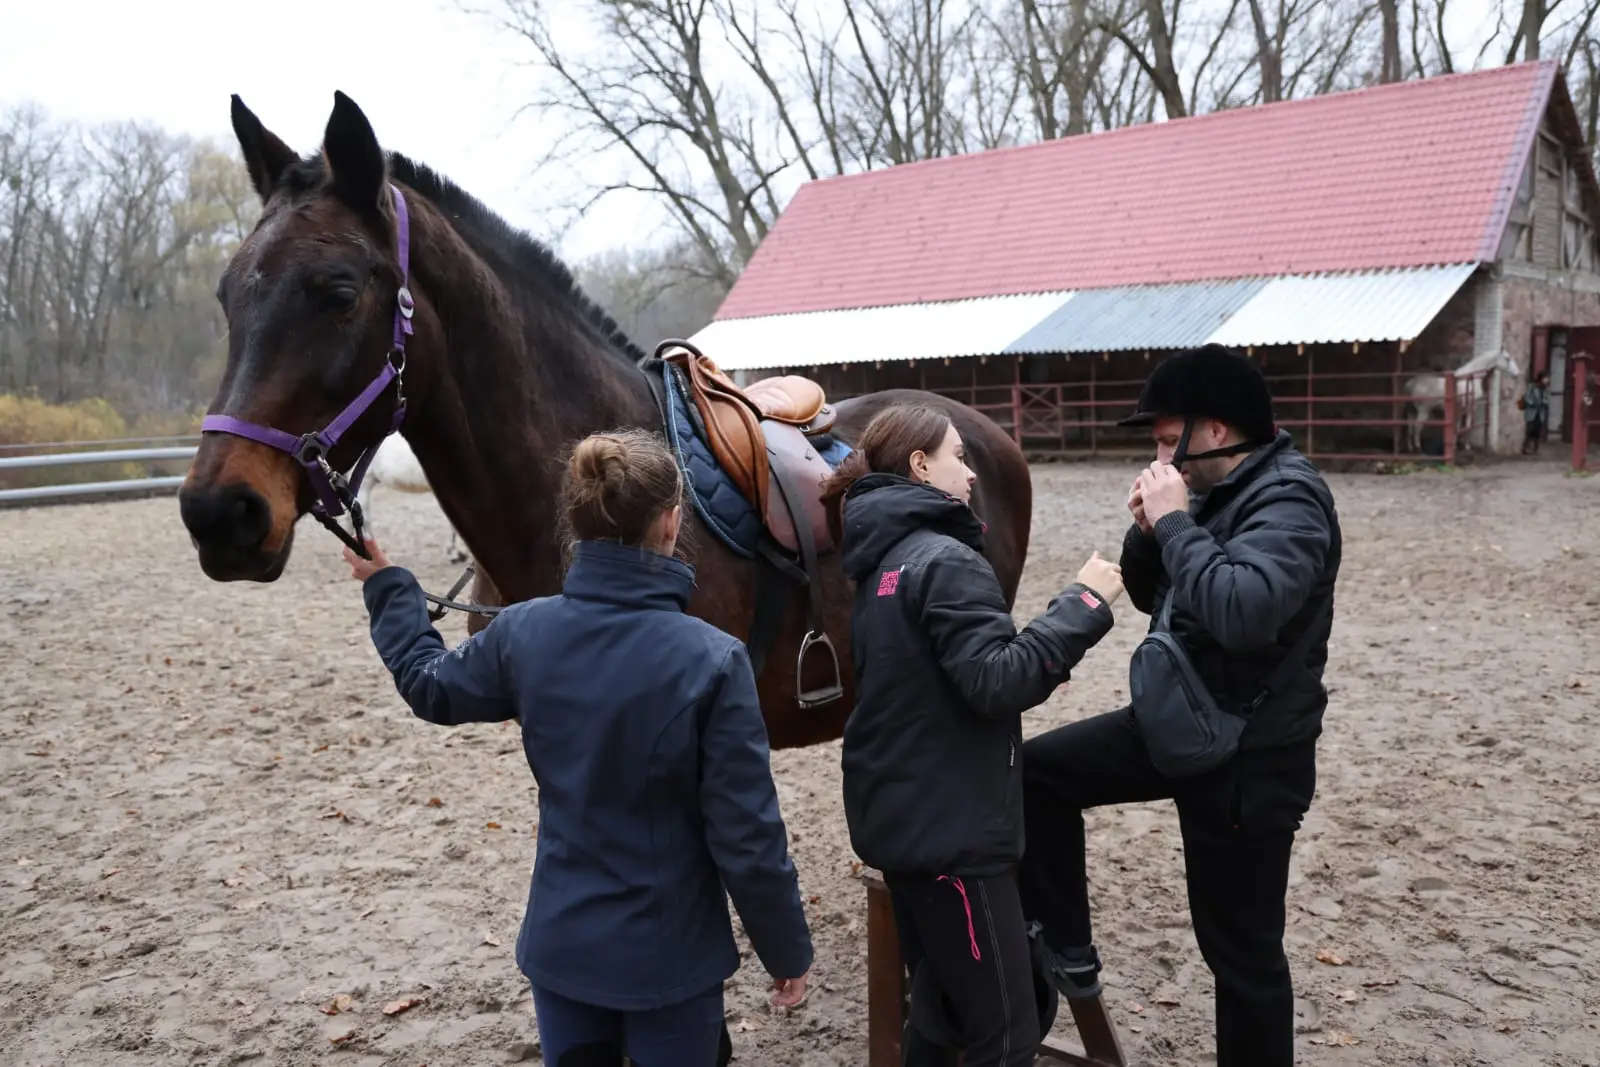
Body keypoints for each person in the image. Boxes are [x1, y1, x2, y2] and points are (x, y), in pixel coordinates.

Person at [343, 428, 813, 1067]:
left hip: (563, 949)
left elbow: (430, 686)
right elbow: (748, 837)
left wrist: (392, 590)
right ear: (671, 524)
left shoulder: (522, 631)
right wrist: (785, 950)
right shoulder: (713, 660)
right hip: (669, 962)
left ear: (579, 525)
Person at [1017, 343, 1342, 1067]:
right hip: (1178, 719)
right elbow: (1154, 595)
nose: (1161, 456)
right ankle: (1068, 948)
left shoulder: (1290, 499)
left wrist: (1175, 524)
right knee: (1037, 772)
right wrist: (1148, 530)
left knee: (1242, 957)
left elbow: (1241, 612)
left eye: (1170, 439)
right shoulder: (1211, 491)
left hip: (1251, 754)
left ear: (1217, 430)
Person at [819, 404, 1125, 1067]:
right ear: (920, 465)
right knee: (1009, 1030)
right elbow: (997, 681)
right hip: (953, 836)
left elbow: (936, 683)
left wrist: (1032, 653)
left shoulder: (881, 562)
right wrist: (1082, 603)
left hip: (904, 819)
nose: (970, 470)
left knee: (944, 1006)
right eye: (959, 455)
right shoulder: (945, 558)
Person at [1522, 369, 1551, 454]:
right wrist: (1533, 403)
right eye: (1545, 378)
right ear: (1541, 378)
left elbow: (1547, 399)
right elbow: (1527, 398)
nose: (1547, 380)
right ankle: (1525, 448)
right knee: (1530, 430)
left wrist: (1544, 402)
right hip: (1532, 412)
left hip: (1540, 412)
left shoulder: (1546, 389)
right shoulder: (1532, 387)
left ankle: (1536, 449)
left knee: (1538, 431)